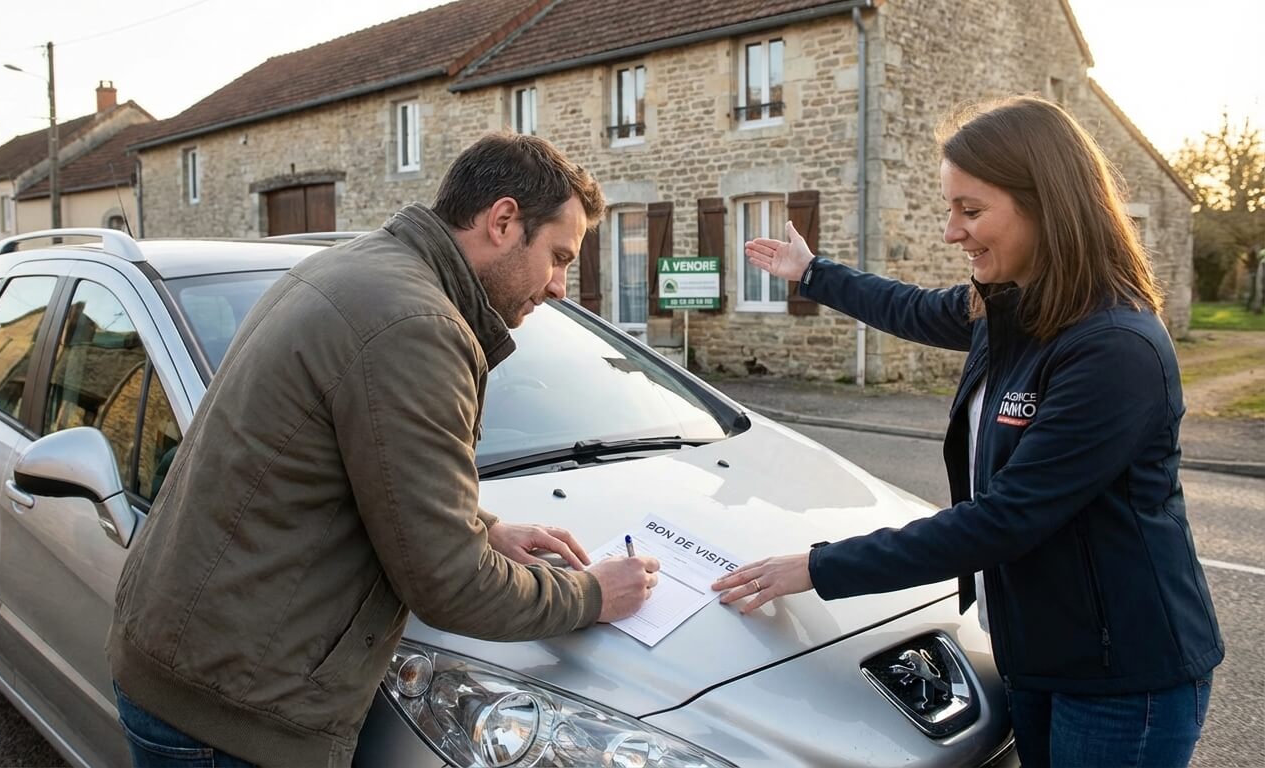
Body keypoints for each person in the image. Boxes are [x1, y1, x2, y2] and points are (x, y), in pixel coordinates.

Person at [107, 132, 662, 767]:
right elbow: (450, 586)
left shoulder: (359, 267)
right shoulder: (416, 327)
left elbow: (349, 459)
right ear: (504, 221)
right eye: (558, 256)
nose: (561, 285)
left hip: (190, 665)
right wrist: (594, 595)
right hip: (231, 714)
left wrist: (482, 528)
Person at [712, 96, 1223, 767]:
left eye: (970, 210)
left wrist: (816, 565)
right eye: (950, 208)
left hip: (1123, 677)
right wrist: (813, 274)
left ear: (1047, 204)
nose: (952, 232)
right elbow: (912, 308)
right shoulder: (1008, 309)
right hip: (1040, 652)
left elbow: (1004, 520)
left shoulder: (1114, 348)